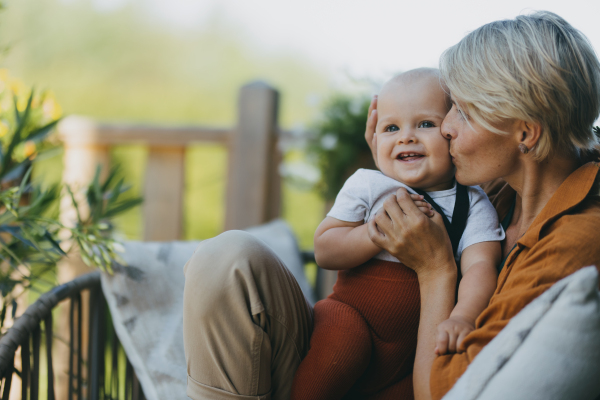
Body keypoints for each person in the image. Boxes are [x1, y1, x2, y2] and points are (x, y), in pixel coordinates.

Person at [182, 10, 600, 400]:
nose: (447, 128)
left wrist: (436, 269)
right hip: (342, 346)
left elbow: (444, 392)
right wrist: (392, 155)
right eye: (447, 110)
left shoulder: (575, 237)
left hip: (411, 375)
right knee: (227, 257)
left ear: (526, 133)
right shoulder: (508, 186)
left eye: (465, 113)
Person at [289, 69, 503, 400]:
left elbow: (481, 266)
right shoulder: (369, 184)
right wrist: (372, 235)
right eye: (391, 128)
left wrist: (463, 316)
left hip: (411, 351)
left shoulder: (472, 203)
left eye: (425, 124)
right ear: (375, 138)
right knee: (323, 377)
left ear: (452, 130)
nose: (406, 137)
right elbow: (325, 250)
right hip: (352, 320)